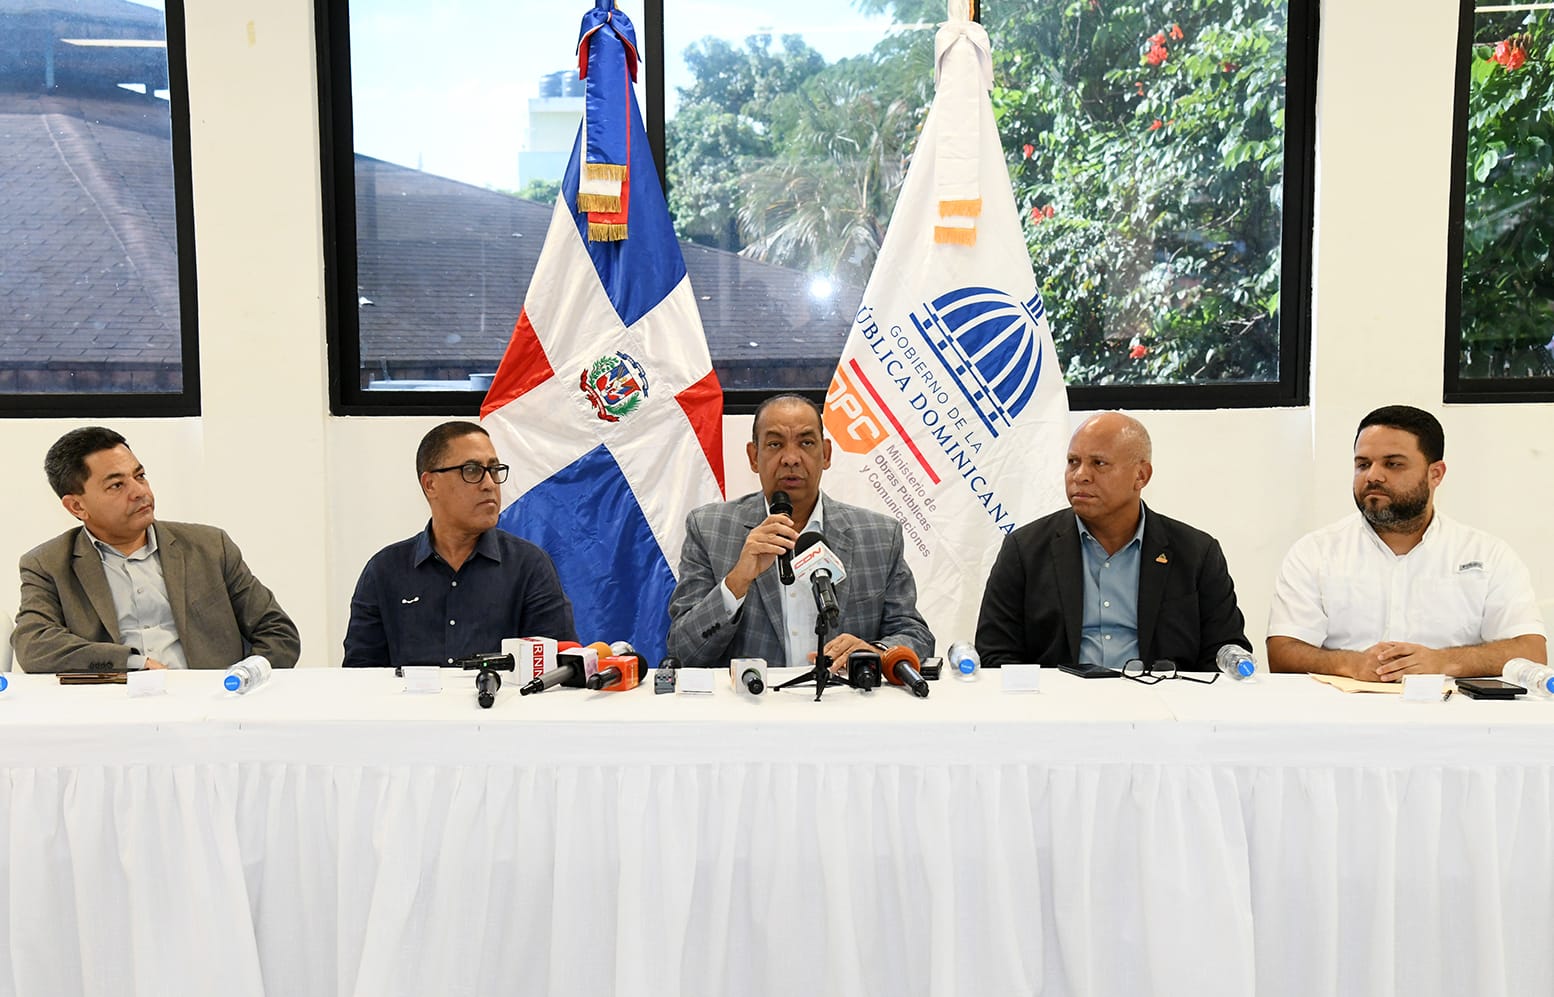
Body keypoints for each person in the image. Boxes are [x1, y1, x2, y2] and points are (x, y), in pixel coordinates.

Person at [1267, 405, 1545, 680]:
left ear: (1435, 474)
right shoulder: (1315, 552)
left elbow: (1531, 652)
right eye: (1363, 464)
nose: (1373, 476)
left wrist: (1442, 661)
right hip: (1341, 706)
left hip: (1450, 707)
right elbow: (1282, 653)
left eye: (1393, 464)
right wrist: (1352, 664)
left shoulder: (1488, 555)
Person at [667, 394, 932, 669]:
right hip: (755, 695)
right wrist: (736, 582)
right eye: (775, 444)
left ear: (826, 454)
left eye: (806, 443)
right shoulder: (709, 529)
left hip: (843, 694)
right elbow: (682, 651)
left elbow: (916, 635)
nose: (791, 459)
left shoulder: (880, 536)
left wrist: (876, 651)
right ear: (754, 457)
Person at [974, 412, 1249, 670]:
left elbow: (1224, 652)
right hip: (1059, 699)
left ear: (1141, 476)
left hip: (1160, 698)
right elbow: (995, 653)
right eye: (1073, 462)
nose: (1080, 475)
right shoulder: (1024, 550)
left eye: (1099, 463)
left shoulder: (1196, 553)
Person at [13, 427, 299, 673]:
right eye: (117, 485)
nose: (140, 492)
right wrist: (132, 664)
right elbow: (33, 644)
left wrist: (242, 680)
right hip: (112, 706)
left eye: (140, 476)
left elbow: (277, 632)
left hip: (211, 703)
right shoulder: (47, 564)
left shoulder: (210, 546)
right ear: (77, 506)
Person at [344, 421, 577, 667]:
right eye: (472, 470)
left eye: (494, 470)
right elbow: (360, 675)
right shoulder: (385, 570)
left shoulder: (529, 566)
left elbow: (558, 668)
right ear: (430, 484)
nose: (489, 484)